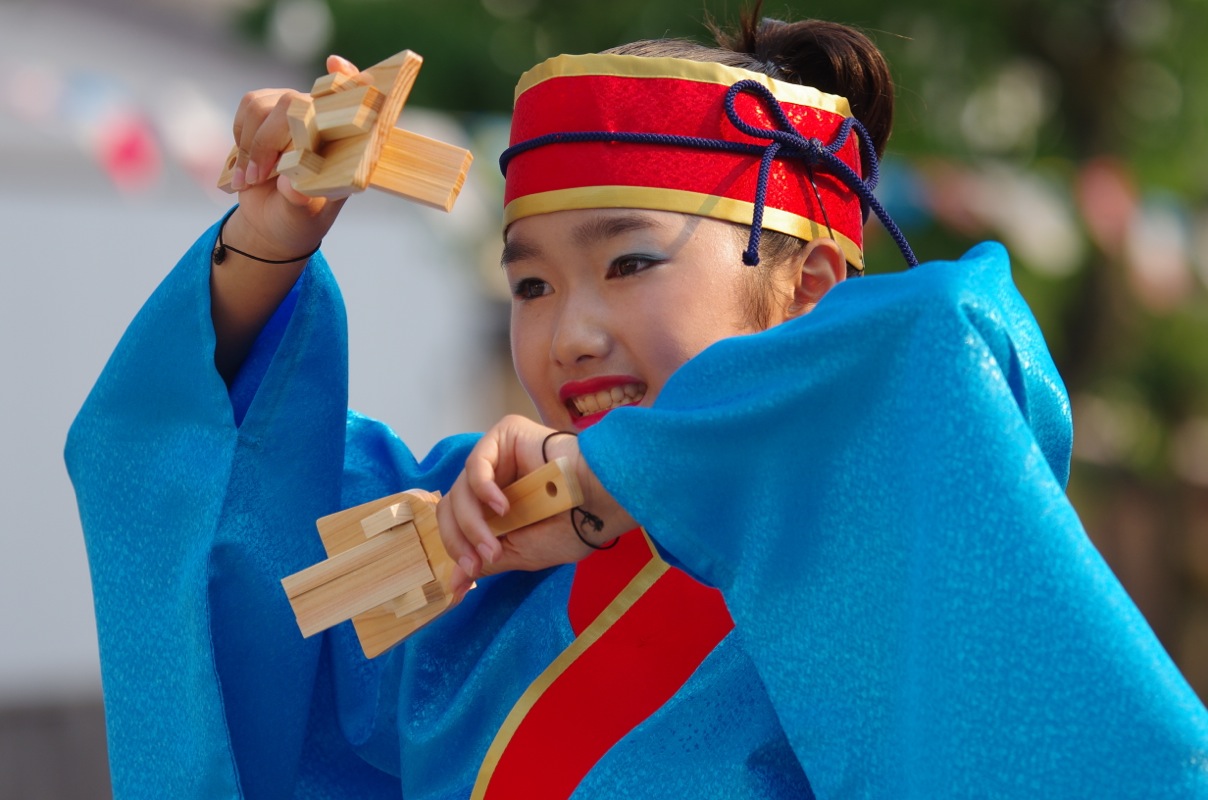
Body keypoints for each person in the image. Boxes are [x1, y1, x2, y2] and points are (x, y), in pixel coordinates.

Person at [66, 6, 1208, 798]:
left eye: (628, 265)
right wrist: (270, 235)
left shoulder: (893, 545)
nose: (567, 330)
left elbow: (932, 355)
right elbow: (204, 507)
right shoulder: (479, 553)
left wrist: (623, 480)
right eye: (527, 282)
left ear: (807, 284)